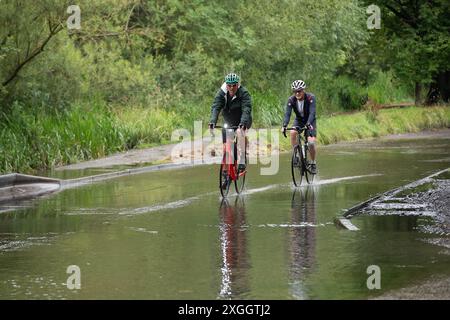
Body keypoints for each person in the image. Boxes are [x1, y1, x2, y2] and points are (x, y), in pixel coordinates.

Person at [209, 73, 252, 172]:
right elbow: (216, 107)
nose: (231, 88)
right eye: (229, 85)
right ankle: (225, 173)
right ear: (226, 84)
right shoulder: (222, 93)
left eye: (234, 85)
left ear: (238, 85)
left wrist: (242, 123)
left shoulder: (244, 93)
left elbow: (246, 109)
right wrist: (212, 122)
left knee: (239, 132)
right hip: (229, 120)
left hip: (243, 119)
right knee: (226, 147)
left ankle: (242, 158)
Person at [282, 80, 317, 174]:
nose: (297, 93)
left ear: (303, 90)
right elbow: (287, 114)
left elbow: (312, 112)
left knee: (311, 143)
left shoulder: (310, 97)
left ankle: (313, 163)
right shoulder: (291, 100)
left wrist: (309, 123)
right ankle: (297, 156)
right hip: (299, 120)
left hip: (310, 121)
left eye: (299, 91)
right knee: (293, 132)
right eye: (295, 91)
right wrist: (284, 125)